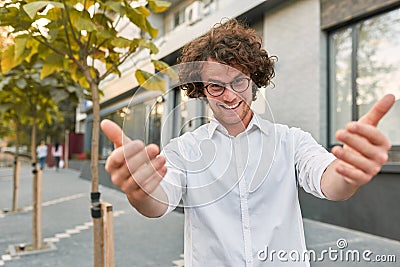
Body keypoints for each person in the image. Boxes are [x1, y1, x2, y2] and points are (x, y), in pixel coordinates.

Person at [100, 19, 395, 267]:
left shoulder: (290, 141)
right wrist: (139, 190)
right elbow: (157, 202)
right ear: (202, 90)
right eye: (216, 86)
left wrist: (348, 171)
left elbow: (330, 183)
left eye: (239, 82)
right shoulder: (184, 150)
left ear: (254, 81)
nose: (229, 96)